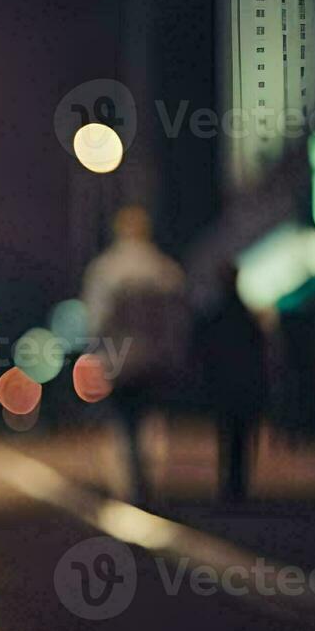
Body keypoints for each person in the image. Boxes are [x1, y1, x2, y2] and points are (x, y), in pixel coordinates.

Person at [81, 207, 189, 505]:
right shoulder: (165, 270)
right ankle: (150, 483)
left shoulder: (105, 270)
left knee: (124, 424)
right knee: (150, 420)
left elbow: (97, 321)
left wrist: (98, 356)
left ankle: (131, 486)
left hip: (120, 361)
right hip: (156, 360)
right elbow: (177, 322)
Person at [197, 263, 267, 501]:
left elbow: (206, 353)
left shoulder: (216, 316)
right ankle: (239, 486)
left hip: (225, 385)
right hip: (245, 384)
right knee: (243, 438)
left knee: (227, 436)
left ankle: (229, 486)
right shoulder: (247, 316)